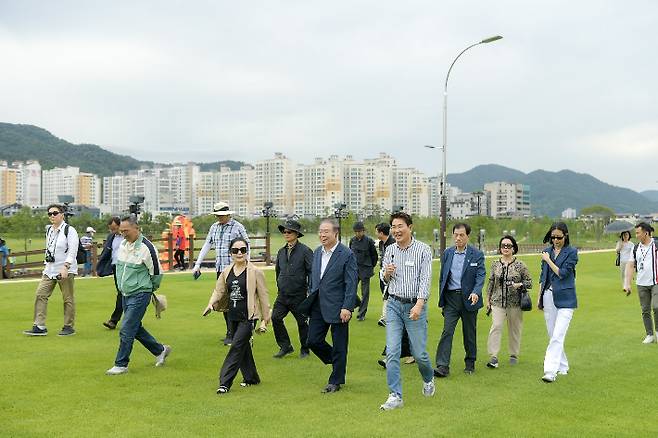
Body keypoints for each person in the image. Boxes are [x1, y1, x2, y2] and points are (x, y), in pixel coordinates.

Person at [379, 211, 435, 411]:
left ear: (410, 227)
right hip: (394, 304)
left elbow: (425, 280)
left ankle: (428, 378)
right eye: (393, 227)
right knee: (392, 352)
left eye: (400, 226)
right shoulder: (390, 250)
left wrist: (419, 305)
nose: (396, 230)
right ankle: (395, 395)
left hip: (415, 306)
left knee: (419, 354)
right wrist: (387, 273)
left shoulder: (423, 250)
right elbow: (384, 279)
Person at [202, 237, 271, 394]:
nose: (239, 253)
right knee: (243, 348)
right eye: (235, 250)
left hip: (248, 317)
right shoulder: (226, 271)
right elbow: (218, 290)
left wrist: (265, 319)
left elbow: (263, 295)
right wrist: (210, 304)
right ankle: (252, 378)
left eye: (243, 250)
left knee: (236, 347)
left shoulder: (255, 272)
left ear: (247, 251)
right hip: (232, 316)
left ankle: (224, 382)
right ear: (230, 253)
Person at [105, 216, 171, 375]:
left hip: (141, 294)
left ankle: (121, 364)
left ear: (137, 228)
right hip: (125, 294)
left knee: (126, 328)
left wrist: (148, 289)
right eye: (121, 232)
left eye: (126, 231)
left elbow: (156, 273)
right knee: (135, 327)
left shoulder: (147, 248)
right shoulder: (122, 244)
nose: (123, 234)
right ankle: (160, 350)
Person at [305, 218, 358, 393]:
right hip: (318, 305)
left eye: (326, 231)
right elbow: (315, 278)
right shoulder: (317, 252)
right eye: (320, 231)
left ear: (335, 233)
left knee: (340, 344)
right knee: (312, 340)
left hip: (339, 306)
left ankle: (335, 380)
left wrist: (347, 307)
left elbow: (351, 283)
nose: (322, 235)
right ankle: (336, 360)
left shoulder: (346, 254)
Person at [192, 202, 250, 346]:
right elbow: (207, 245)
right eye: (217, 215)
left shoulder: (237, 227)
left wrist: (248, 266)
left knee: (236, 300)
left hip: (236, 269)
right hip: (220, 270)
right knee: (224, 302)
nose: (219, 217)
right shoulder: (214, 227)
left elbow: (246, 245)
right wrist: (198, 264)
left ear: (228, 214)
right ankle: (230, 332)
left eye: (222, 215)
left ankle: (238, 333)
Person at [435, 222, 485, 377]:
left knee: (469, 333)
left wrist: (476, 292)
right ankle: (442, 366)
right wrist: (442, 300)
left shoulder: (476, 255)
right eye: (455, 235)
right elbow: (443, 277)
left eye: (461, 235)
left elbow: (480, 276)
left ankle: (470, 362)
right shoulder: (448, 253)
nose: (458, 238)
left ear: (467, 236)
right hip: (451, 299)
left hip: (470, 300)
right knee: (447, 331)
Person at [23, 204, 79, 337]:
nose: (52, 216)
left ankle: (68, 326)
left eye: (55, 213)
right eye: (50, 214)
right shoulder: (49, 230)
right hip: (50, 269)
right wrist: (46, 265)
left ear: (62, 215)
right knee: (40, 294)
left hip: (65, 269)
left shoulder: (69, 230)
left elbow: (72, 251)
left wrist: (66, 267)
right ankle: (39, 326)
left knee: (67, 298)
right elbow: (49, 249)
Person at [538, 222, 578, 383]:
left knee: (558, 334)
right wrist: (539, 298)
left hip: (566, 299)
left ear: (565, 236)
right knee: (552, 334)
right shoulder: (547, 251)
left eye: (559, 237)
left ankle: (550, 371)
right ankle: (563, 365)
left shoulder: (572, 252)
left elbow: (562, 273)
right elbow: (543, 277)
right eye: (553, 237)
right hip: (548, 296)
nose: (555, 240)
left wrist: (548, 260)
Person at [485, 235, 533, 369]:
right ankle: (493, 356)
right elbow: (491, 282)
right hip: (497, 302)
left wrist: (519, 285)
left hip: (515, 303)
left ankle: (513, 354)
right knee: (496, 326)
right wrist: (487, 299)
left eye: (508, 246)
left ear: (513, 248)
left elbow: (529, 283)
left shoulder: (520, 265)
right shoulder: (495, 264)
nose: (506, 248)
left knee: (514, 329)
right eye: (503, 246)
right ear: (500, 248)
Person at [271, 219, 313, 359]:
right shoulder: (281, 252)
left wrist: (310, 291)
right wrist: (279, 286)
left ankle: (305, 349)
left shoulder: (305, 251)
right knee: (275, 318)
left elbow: (312, 272)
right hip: (283, 295)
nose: (286, 233)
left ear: (296, 234)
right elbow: (278, 271)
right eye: (284, 231)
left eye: (289, 231)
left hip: (299, 295)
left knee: (302, 323)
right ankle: (285, 346)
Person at [623, 222, 658, 344]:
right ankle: (650, 335)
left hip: (656, 282)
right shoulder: (636, 248)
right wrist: (627, 283)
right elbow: (630, 265)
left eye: (638, 233)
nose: (636, 235)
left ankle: (657, 332)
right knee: (645, 310)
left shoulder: (656, 244)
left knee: (656, 306)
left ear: (646, 233)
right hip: (641, 283)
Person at [97, 217, 125, 329]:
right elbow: (107, 252)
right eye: (111, 229)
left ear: (120, 225)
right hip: (116, 267)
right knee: (122, 293)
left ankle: (114, 320)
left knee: (122, 293)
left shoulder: (127, 236)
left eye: (114, 228)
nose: (112, 231)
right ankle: (129, 318)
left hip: (127, 267)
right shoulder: (111, 237)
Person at [349, 221, 378, 321]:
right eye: (356, 232)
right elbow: (350, 255)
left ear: (363, 231)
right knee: (350, 290)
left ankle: (361, 314)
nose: (358, 233)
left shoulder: (369, 241)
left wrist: (371, 266)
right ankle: (358, 303)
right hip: (354, 269)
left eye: (360, 231)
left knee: (365, 293)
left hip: (366, 269)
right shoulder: (352, 241)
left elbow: (374, 256)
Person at [375, 222, 396, 327]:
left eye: (376, 231)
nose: (375, 233)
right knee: (385, 295)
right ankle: (386, 317)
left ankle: (385, 317)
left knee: (387, 295)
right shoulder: (381, 243)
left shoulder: (393, 243)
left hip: (392, 273)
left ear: (381, 232)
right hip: (382, 272)